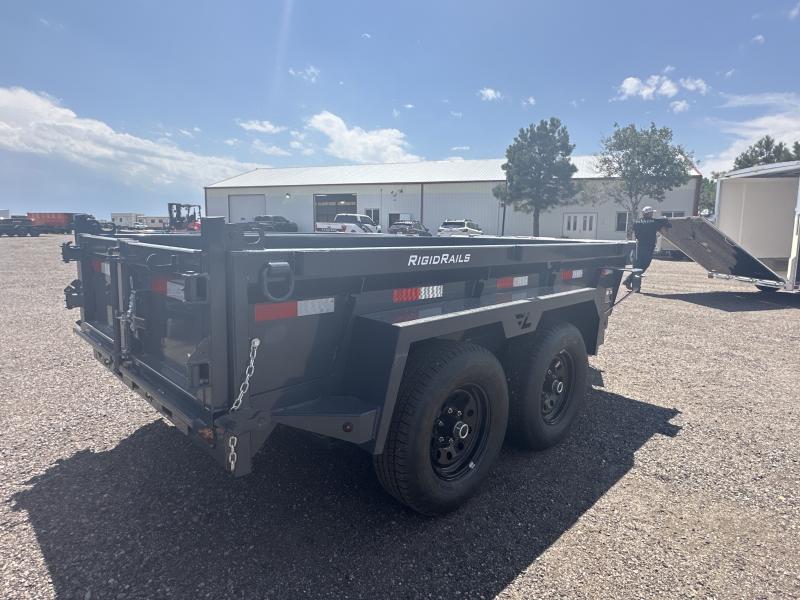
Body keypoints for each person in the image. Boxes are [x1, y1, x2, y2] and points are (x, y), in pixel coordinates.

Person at [624, 206, 671, 291]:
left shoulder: (637, 222)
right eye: (651, 213)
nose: (652, 214)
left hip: (638, 247)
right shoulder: (654, 222)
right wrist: (665, 222)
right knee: (644, 265)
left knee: (637, 266)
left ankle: (634, 286)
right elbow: (665, 232)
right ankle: (630, 282)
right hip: (648, 247)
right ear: (649, 213)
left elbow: (630, 232)